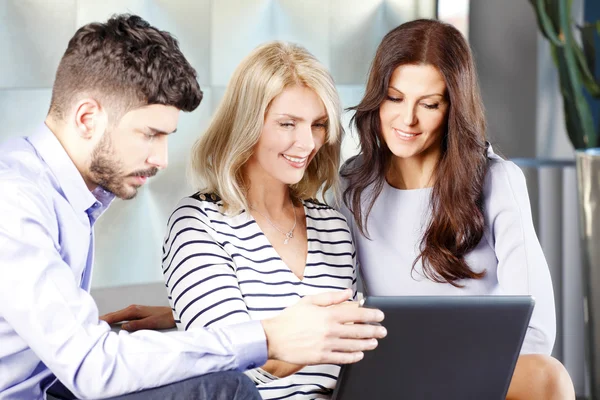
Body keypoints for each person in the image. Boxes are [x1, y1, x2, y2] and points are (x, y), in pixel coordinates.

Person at [0, 15, 386, 400]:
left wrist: (182, 316)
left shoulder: (70, 201)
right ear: (87, 118)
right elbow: (91, 365)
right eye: (150, 134)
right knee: (225, 387)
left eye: (318, 125)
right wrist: (264, 337)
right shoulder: (14, 201)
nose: (163, 159)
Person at [339, 19, 575, 399]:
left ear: (453, 108)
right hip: (394, 368)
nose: (407, 119)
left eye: (429, 104)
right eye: (395, 98)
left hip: (481, 369)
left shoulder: (498, 181)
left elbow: (537, 330)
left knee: (549, 376)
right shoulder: (351, 186)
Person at [160, 41, 358, 400]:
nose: (306, 142)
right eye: (287, 124)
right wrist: (296, 343)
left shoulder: (334, 228)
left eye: (317, 125)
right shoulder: (200, 224)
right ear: (246, 125)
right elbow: (221, 374)